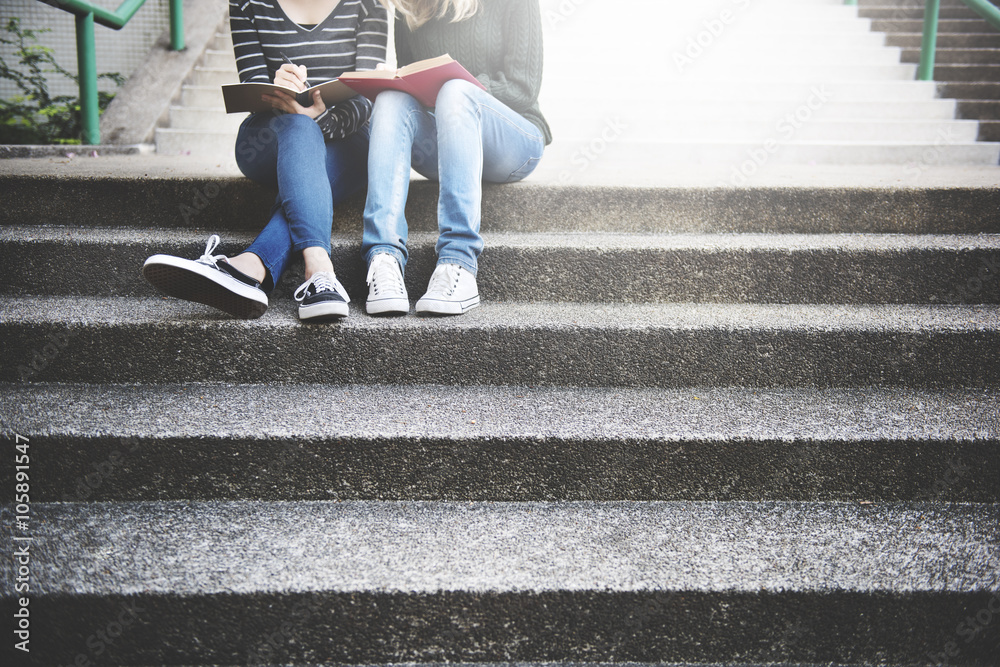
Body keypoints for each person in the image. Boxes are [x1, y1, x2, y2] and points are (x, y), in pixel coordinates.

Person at [142, 0, 388, 321]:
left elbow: (366, 98)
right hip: (271, 135)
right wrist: (279, 88)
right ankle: (320, 272)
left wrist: (322, 118)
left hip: (350, 141)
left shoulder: (369, 5)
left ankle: (248, 268)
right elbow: (251, 84)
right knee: (300, 127)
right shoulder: (247, 3)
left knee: (306, 143)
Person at [362, 0, 551, 316]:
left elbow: (523, 89)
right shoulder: (407, 5)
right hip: (446, 141)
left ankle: (458, 262)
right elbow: (412, 88)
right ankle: (384, 258)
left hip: (514, 140)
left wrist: (457, 87)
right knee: (392, 96)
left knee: (455, 90)